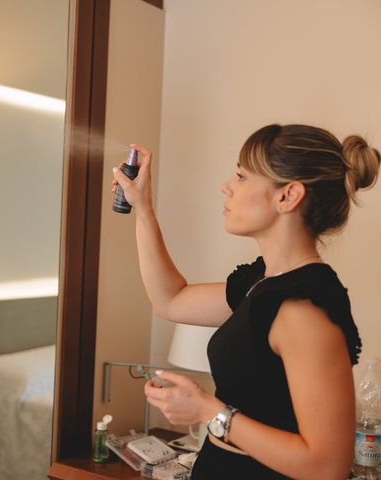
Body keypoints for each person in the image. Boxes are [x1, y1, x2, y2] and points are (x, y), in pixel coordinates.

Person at [112, 124, 380, 479]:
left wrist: (210, 411)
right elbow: (171, 299)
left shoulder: (304, 308)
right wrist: (143, 207)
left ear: (288, 196)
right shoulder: (262, 283)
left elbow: (326, 466)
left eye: (241, 176)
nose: (227, 185)